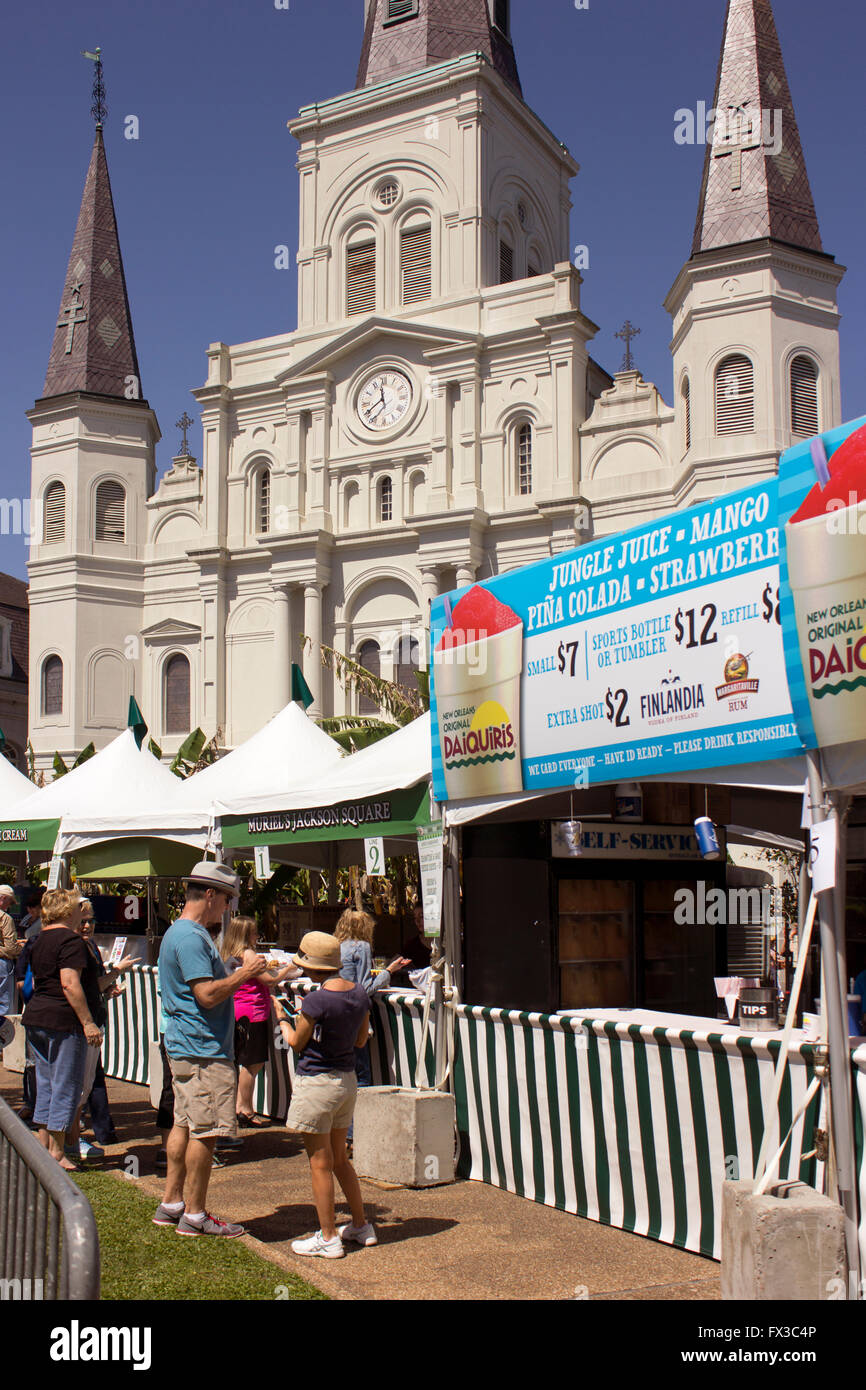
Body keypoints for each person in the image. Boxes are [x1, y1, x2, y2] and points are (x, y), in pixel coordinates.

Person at [153, 861, 266, 1237]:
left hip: (188, 1044)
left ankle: (171, 1203)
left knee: (183, 1124)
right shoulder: (190, 937)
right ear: (211, 895)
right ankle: (196, 1215)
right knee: (207, 1130)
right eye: (227, 900)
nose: (228, 910)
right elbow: (205, 995)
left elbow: (200, 984)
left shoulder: (182, 933)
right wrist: (245, 974)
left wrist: (228, 968)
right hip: (203, 1048)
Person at [279, 930, 376, 1258]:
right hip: (346, 1081)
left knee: (319, 1163)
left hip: (317, 1084)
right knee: (339, 1159)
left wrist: (282, 1019)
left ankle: (328, 1236)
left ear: (313, 968)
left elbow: (295, 1042)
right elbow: (361, 1040)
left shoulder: (317, 1000)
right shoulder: (360, 993)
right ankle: (361, 1225)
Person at [21, 888, 103, 1171]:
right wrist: (87, 1021)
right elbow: (69, 982)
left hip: (36, 1017)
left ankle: (44, 1147)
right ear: (68, 911)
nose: (83, 912)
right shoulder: (70, 941)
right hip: (62, 1020)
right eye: (78, 906)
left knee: (44, 1084)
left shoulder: (39, 938)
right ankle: (56, 1151)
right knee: (65, 1084)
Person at [66, 898, 135, 1160]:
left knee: (85, 1084)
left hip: (94, 1020)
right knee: (78, 1085)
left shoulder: (89, 946)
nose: (87, 926)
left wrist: (107, 990)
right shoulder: (75, 948)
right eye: (82, 921)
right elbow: (84, 987)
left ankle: (73, 1139)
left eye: (91, 921)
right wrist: (117, 971)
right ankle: (71, 1142)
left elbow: (94, 987)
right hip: (82, 1026)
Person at [220, 915, 297, 1127]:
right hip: (254, 1011)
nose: (257, 935)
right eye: (254, 931)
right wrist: (288, 969)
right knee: (252, 1063)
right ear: (247, 934)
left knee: (244, 1061)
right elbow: (269, 980)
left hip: (238, 1010)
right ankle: (244, 1108)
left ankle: (239, 1107)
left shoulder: (228, 952)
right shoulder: (249, 954)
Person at [334, 907, 408, 1111]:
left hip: (336, 1012)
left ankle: (342, 1127)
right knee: (360, 1074)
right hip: (354, 1015)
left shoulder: (337, 947)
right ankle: (354, 1130)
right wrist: (388, 972)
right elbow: (364, 988)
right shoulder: (362, 947)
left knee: (341, 1072)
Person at [0, 883, 22, 1018]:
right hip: (2, 964)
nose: (9, 906)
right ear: (2, 898)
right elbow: (11, 948)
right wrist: (22, 948)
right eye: (9, 902)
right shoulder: (5, 918)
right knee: (5, 1006)